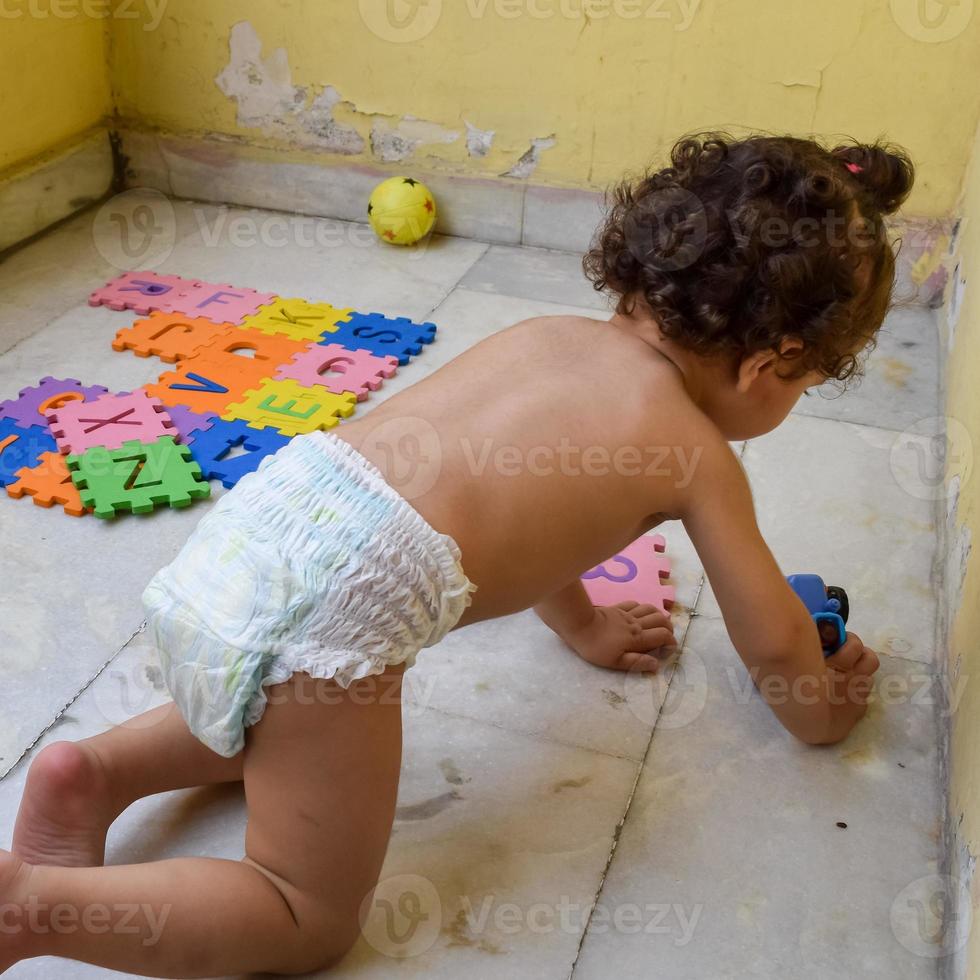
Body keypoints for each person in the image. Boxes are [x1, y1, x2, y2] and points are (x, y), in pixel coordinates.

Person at [2, 133, 913, 976]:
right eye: (811, 381)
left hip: (267, 523)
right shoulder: (698, 457)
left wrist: (588, 626)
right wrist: (824, 713)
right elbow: (775, 645)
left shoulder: (547, 338)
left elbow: (534, 515)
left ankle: (89, 770)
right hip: (336, 610)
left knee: (268, 706)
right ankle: (33, 910)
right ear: (772, 365)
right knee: (305, 910)